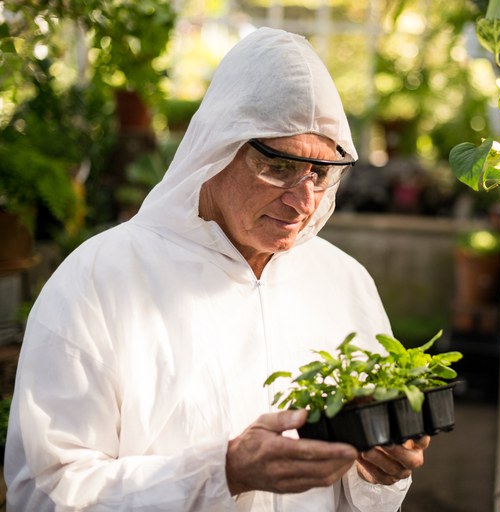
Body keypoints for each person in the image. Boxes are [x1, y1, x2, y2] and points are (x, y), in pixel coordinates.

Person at [4, 27, 429, 511]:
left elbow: (361, 492)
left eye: (320, 172)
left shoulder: (343, 282)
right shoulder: (98, 281)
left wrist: (377, 472)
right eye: (280, 167)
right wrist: (223, 471)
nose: (303, 201)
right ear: (217, 148)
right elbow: (44, 493)